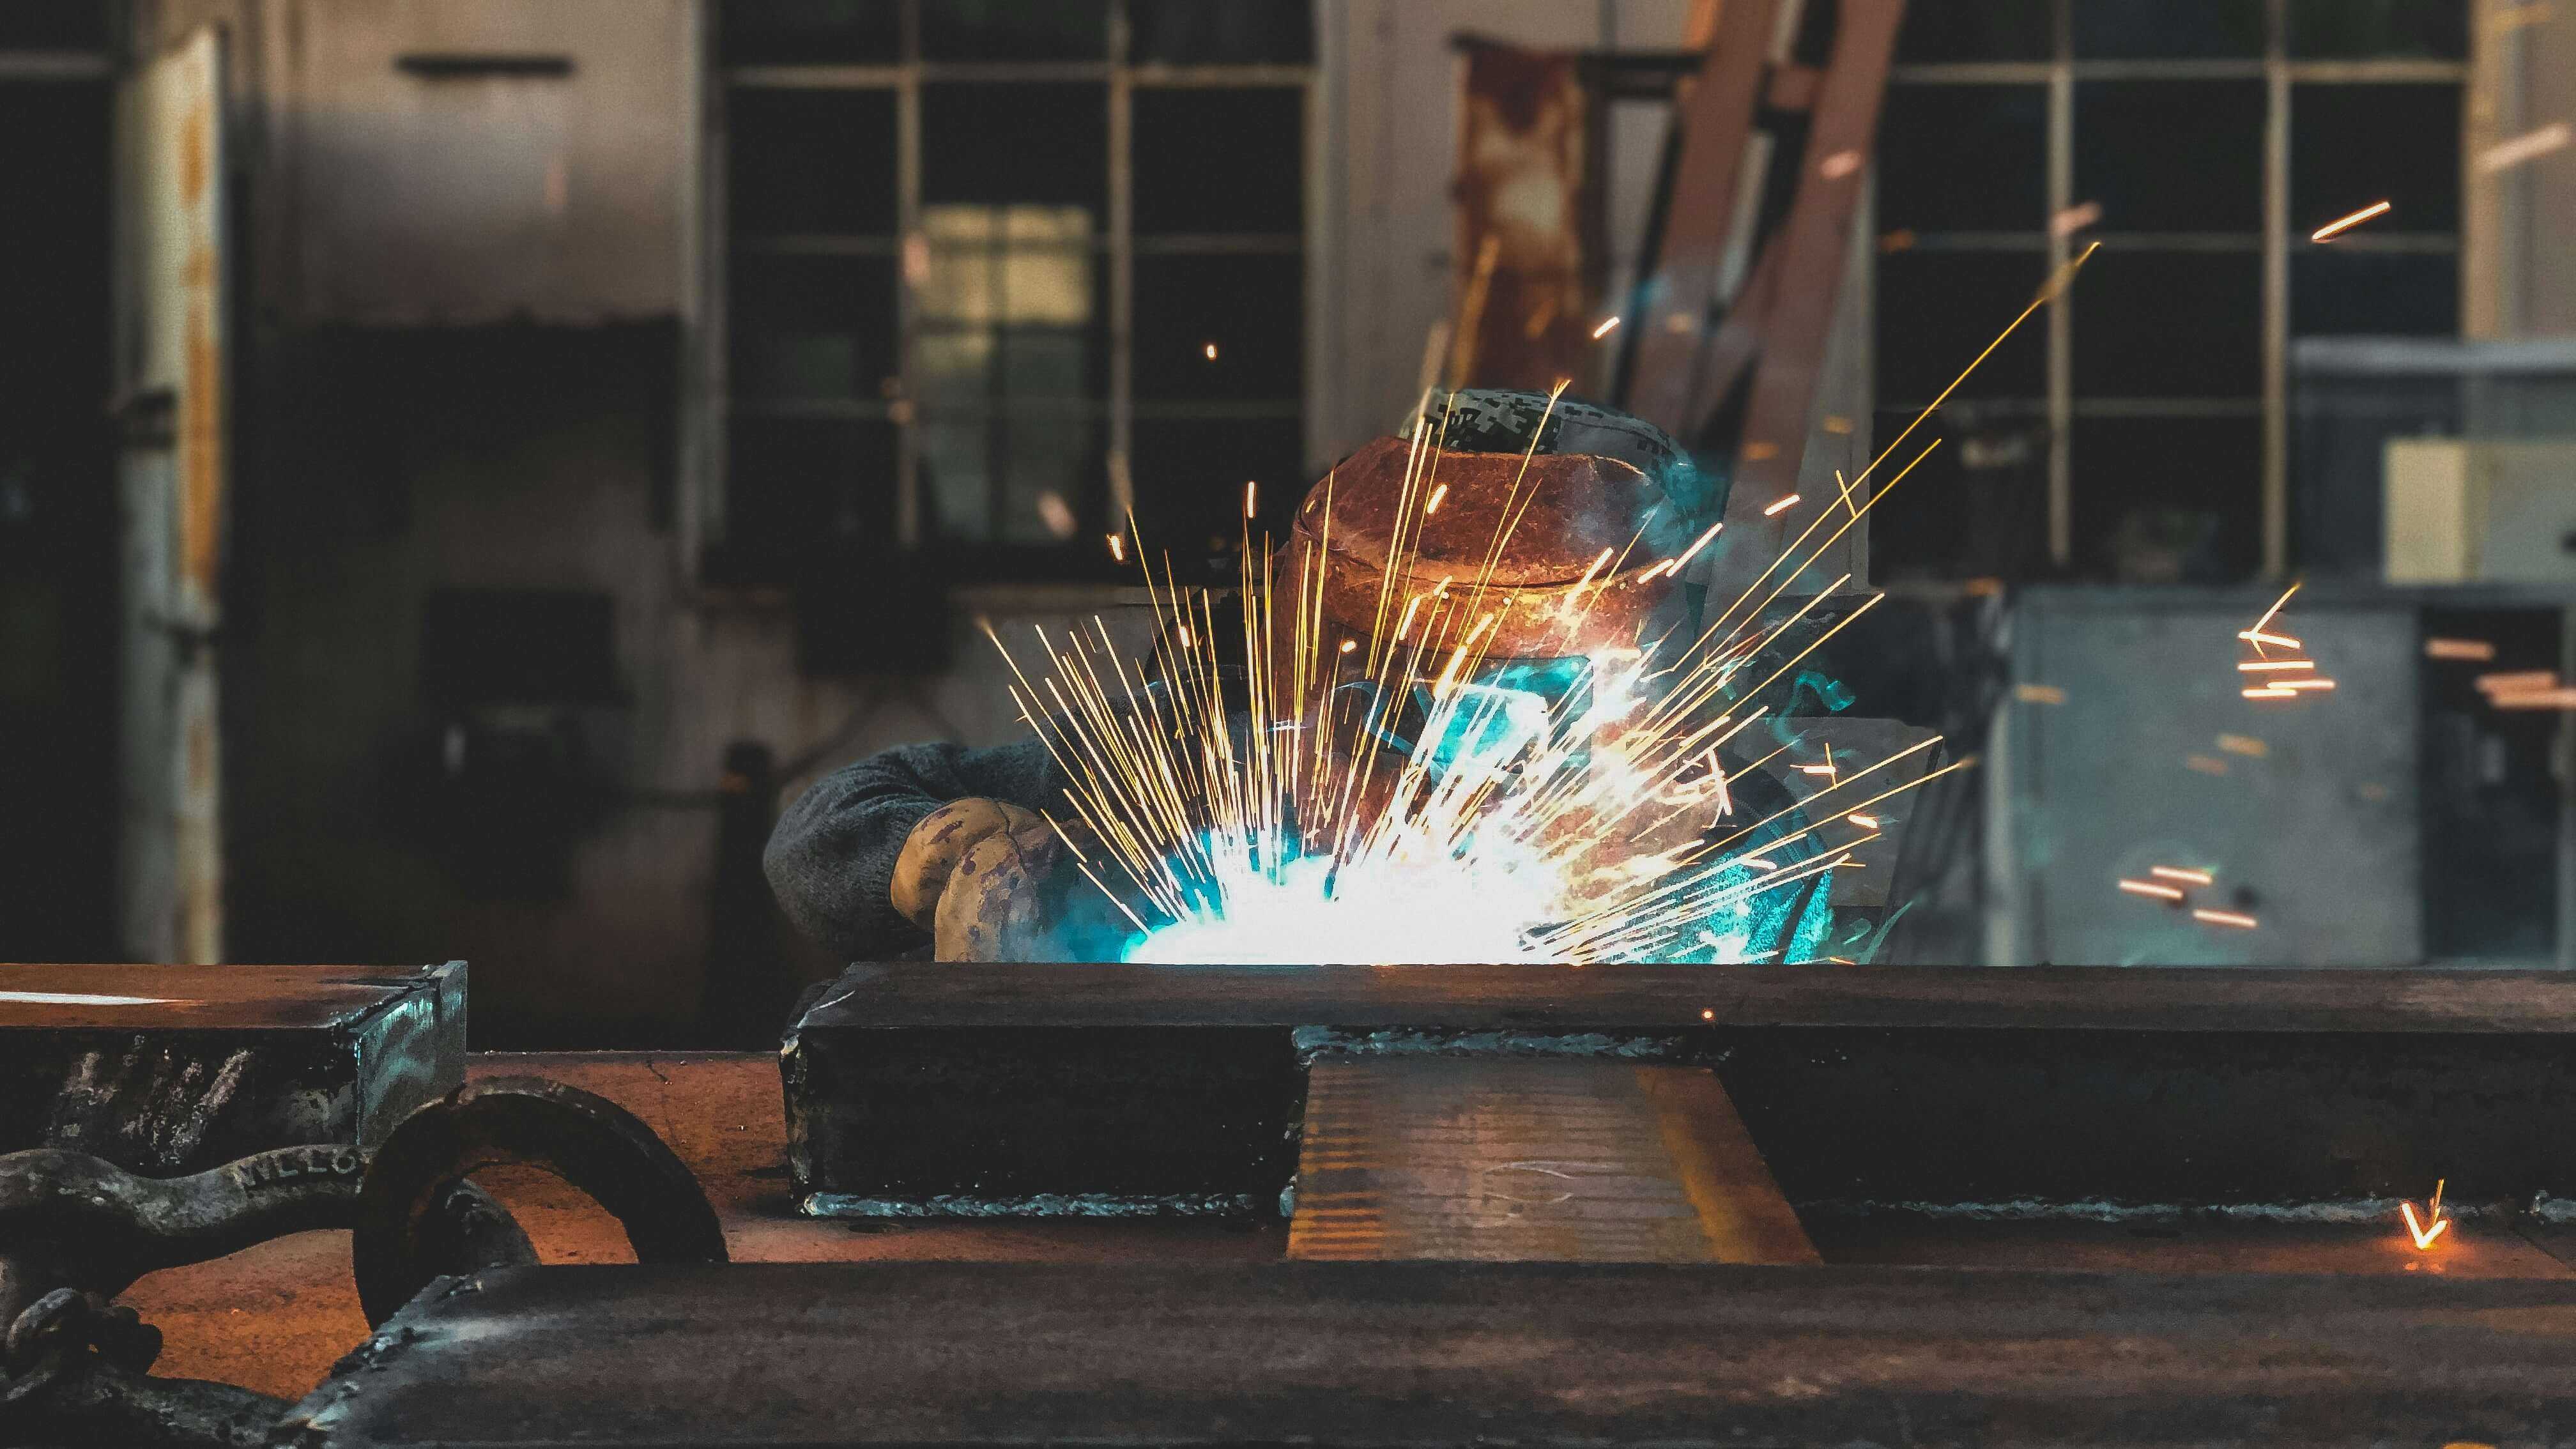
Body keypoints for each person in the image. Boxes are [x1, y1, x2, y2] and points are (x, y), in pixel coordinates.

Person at [763, 390, 1830, 965]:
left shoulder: (1710, 839)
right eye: (1430, 714)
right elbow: (818, 831)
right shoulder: (1192, 779)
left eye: (1538, 716)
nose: (1476, 778)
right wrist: (939, 859)